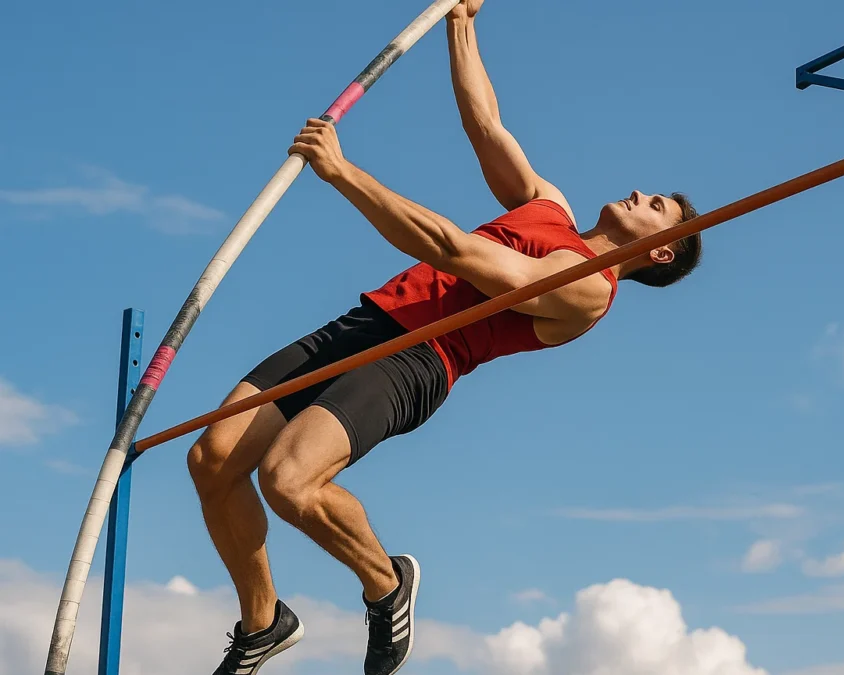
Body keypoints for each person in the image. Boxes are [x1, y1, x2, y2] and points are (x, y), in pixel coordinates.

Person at [189, 1, 702, 673]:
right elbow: (483, 120)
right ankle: (264, 622)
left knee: (289, 480)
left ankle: (386, 582)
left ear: (660, 251)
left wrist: (344, 173)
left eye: (656, 204)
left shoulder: (586, 291)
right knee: (214, 456)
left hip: (419, 356)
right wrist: (463, 20)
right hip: (371, 320)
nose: (640, 191)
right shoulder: (550, 206)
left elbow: (454, 251)